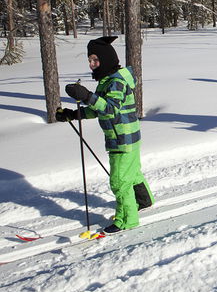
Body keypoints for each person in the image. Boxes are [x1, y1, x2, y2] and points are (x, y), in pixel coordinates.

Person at [57, 36, 154, 234]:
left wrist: (86, 96)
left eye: (95, 60)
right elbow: (99, 109)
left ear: (106, 59)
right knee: (132, 172)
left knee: (119, 181)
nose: (92, 65)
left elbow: (110, 109)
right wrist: (74, 114)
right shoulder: (109, 80)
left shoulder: (116, 82)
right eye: (90, 60)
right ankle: (143, 201)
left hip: (121, 139)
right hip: (128, 136)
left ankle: (127, 220)